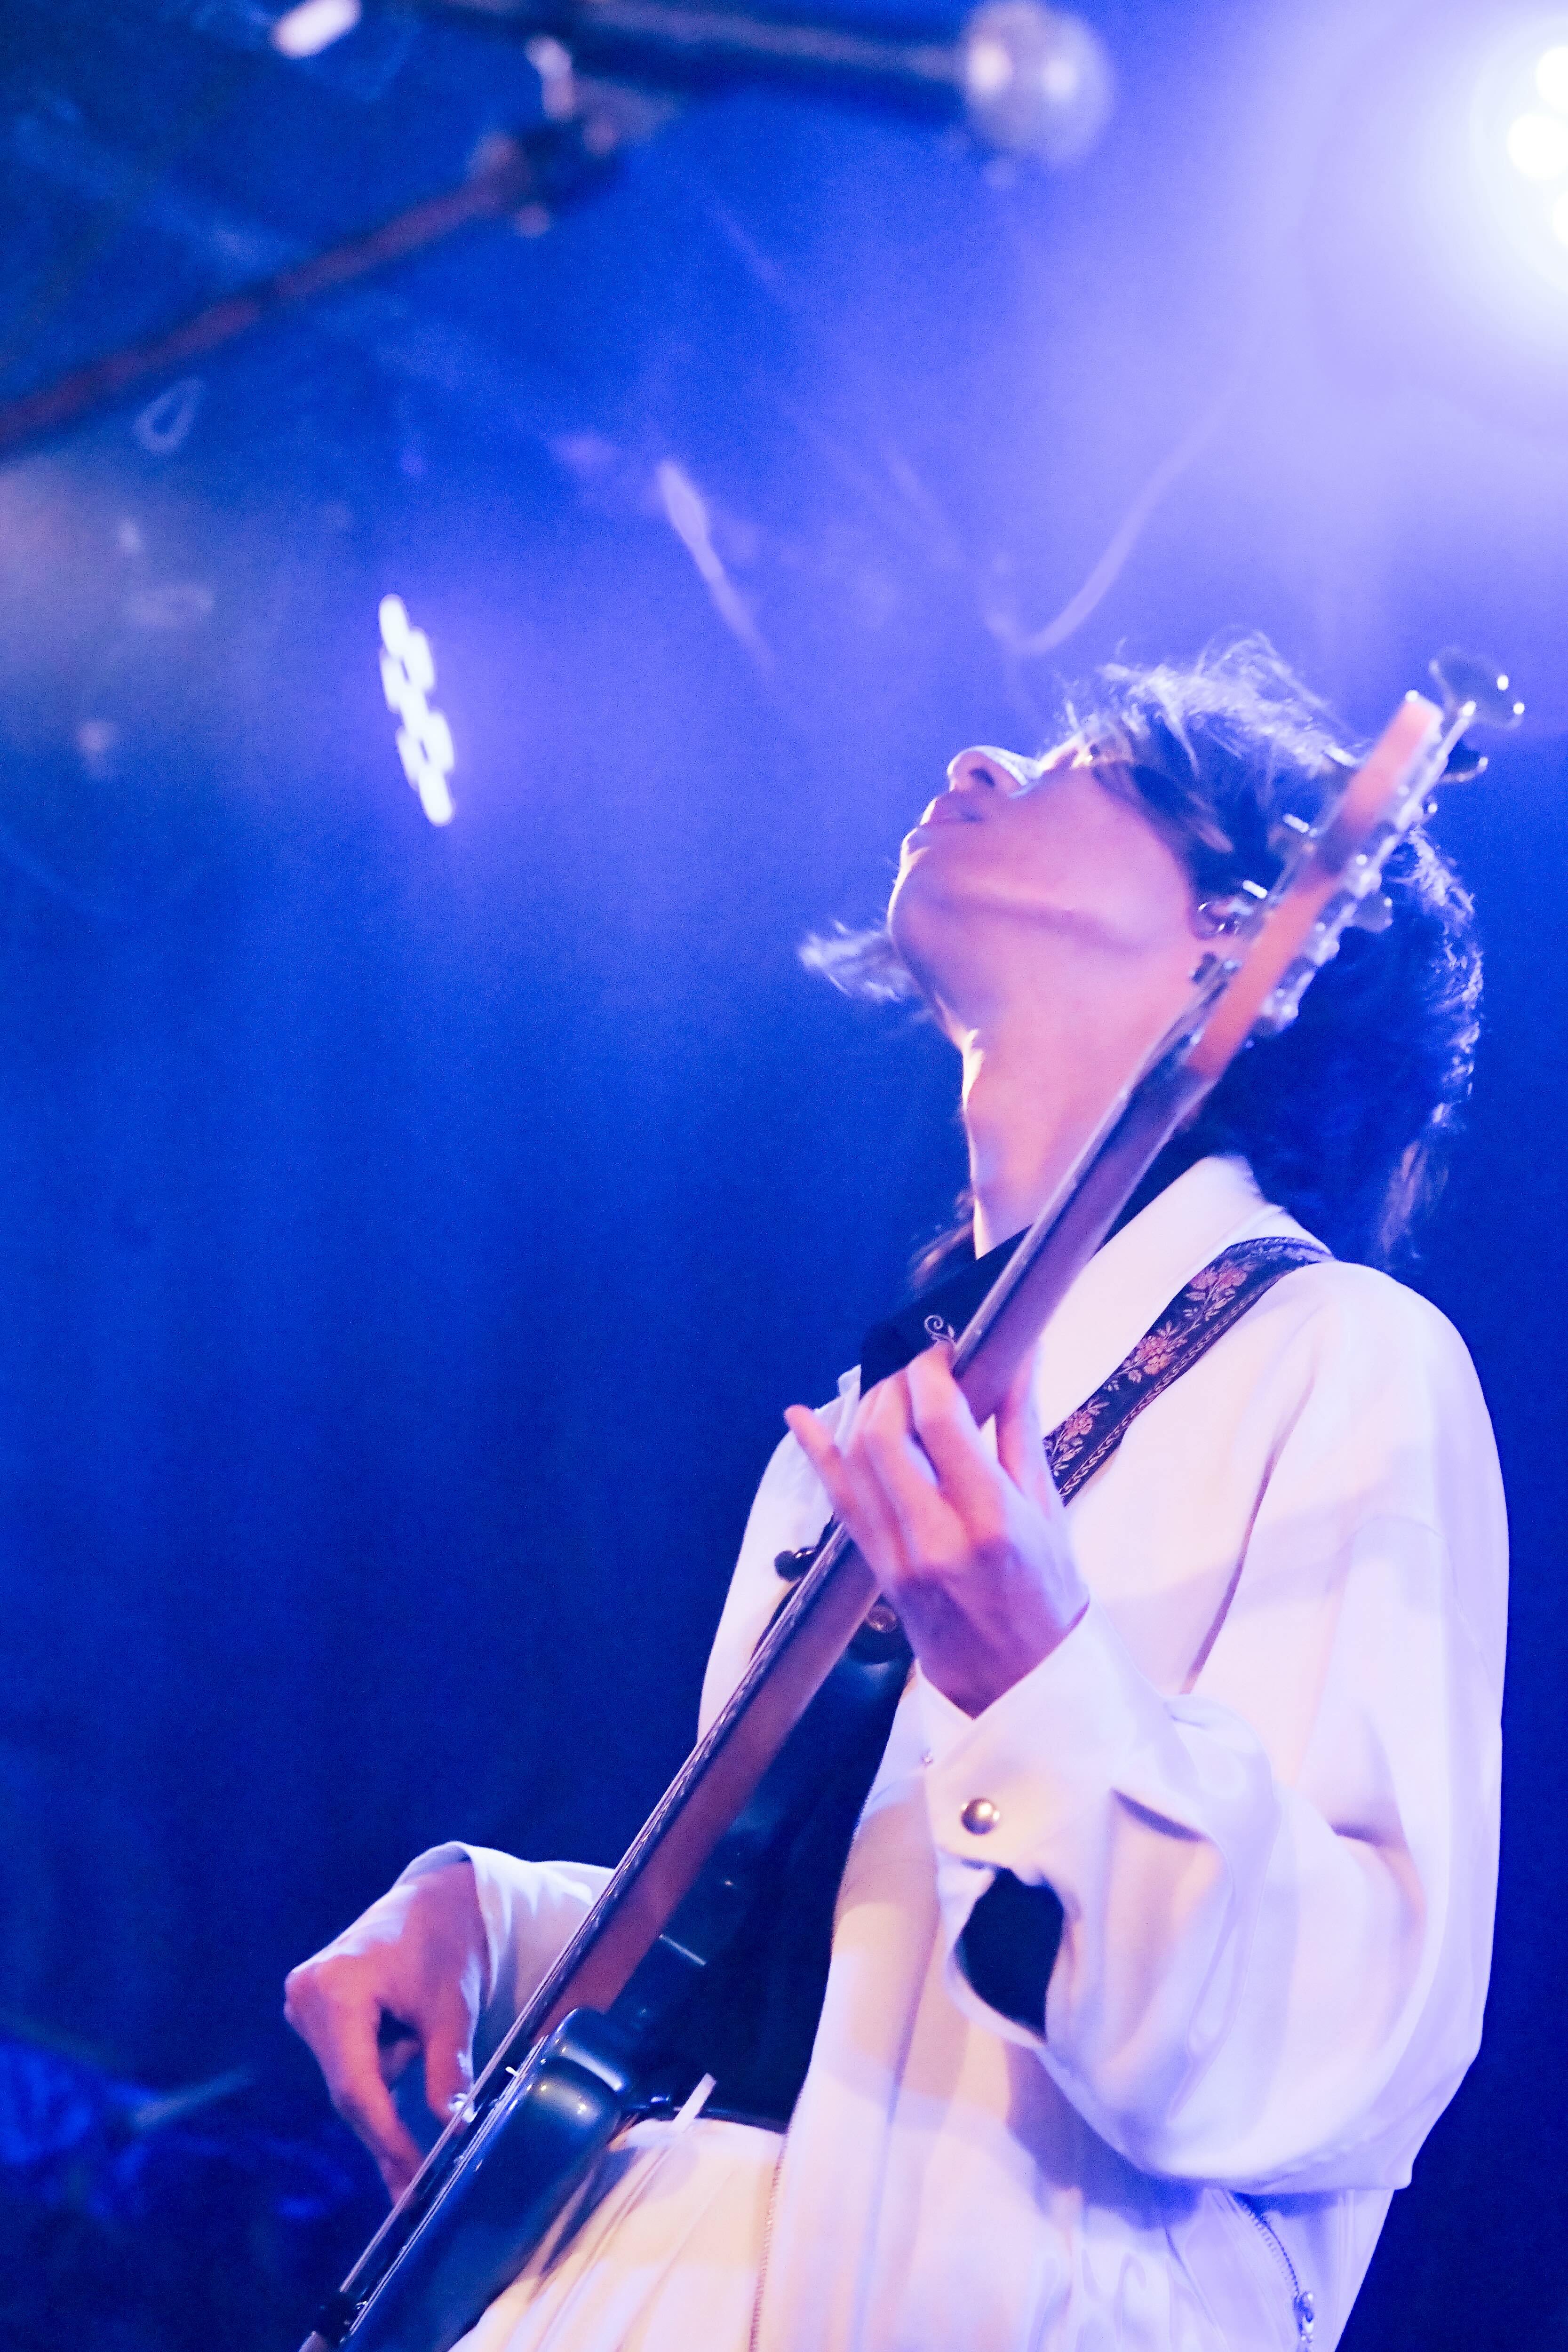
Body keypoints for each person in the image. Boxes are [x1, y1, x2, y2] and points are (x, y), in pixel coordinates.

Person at [285, 639, 1505, 2352]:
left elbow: (1340, 2043)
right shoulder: (855, 1434)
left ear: (1237, 930)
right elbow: (815, 1969)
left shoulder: (1342, 1354)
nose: (984, 759)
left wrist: (1042, 1679)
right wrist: (500, 1918)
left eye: (1092, 767)